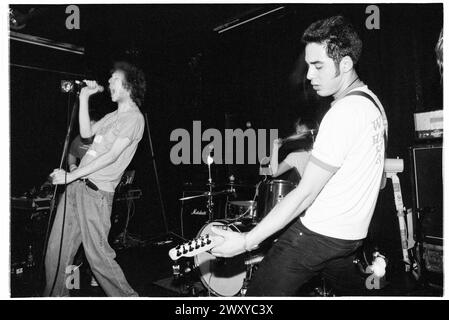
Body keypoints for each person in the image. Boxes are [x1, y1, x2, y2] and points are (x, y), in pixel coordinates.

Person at [211, 15, 388, 296]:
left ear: (345, 64)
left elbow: (305, 193)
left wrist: (246, 241)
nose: (309, 75)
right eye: (308, 65)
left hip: (319, 234)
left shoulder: (343, 113)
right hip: (351, 238)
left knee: (259, 297)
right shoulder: (373, 104)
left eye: (317, 66)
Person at [44, 61, 146, 297]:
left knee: (98, 258)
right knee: (56, 252)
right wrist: (84, 97)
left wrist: (71, 175)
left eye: (114, 79)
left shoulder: (134, 119)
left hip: (95, 193)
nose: (109, 82)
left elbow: (111, 156)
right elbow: (86, 135)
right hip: (77, 188)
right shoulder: (112, 116)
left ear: (127, 84)